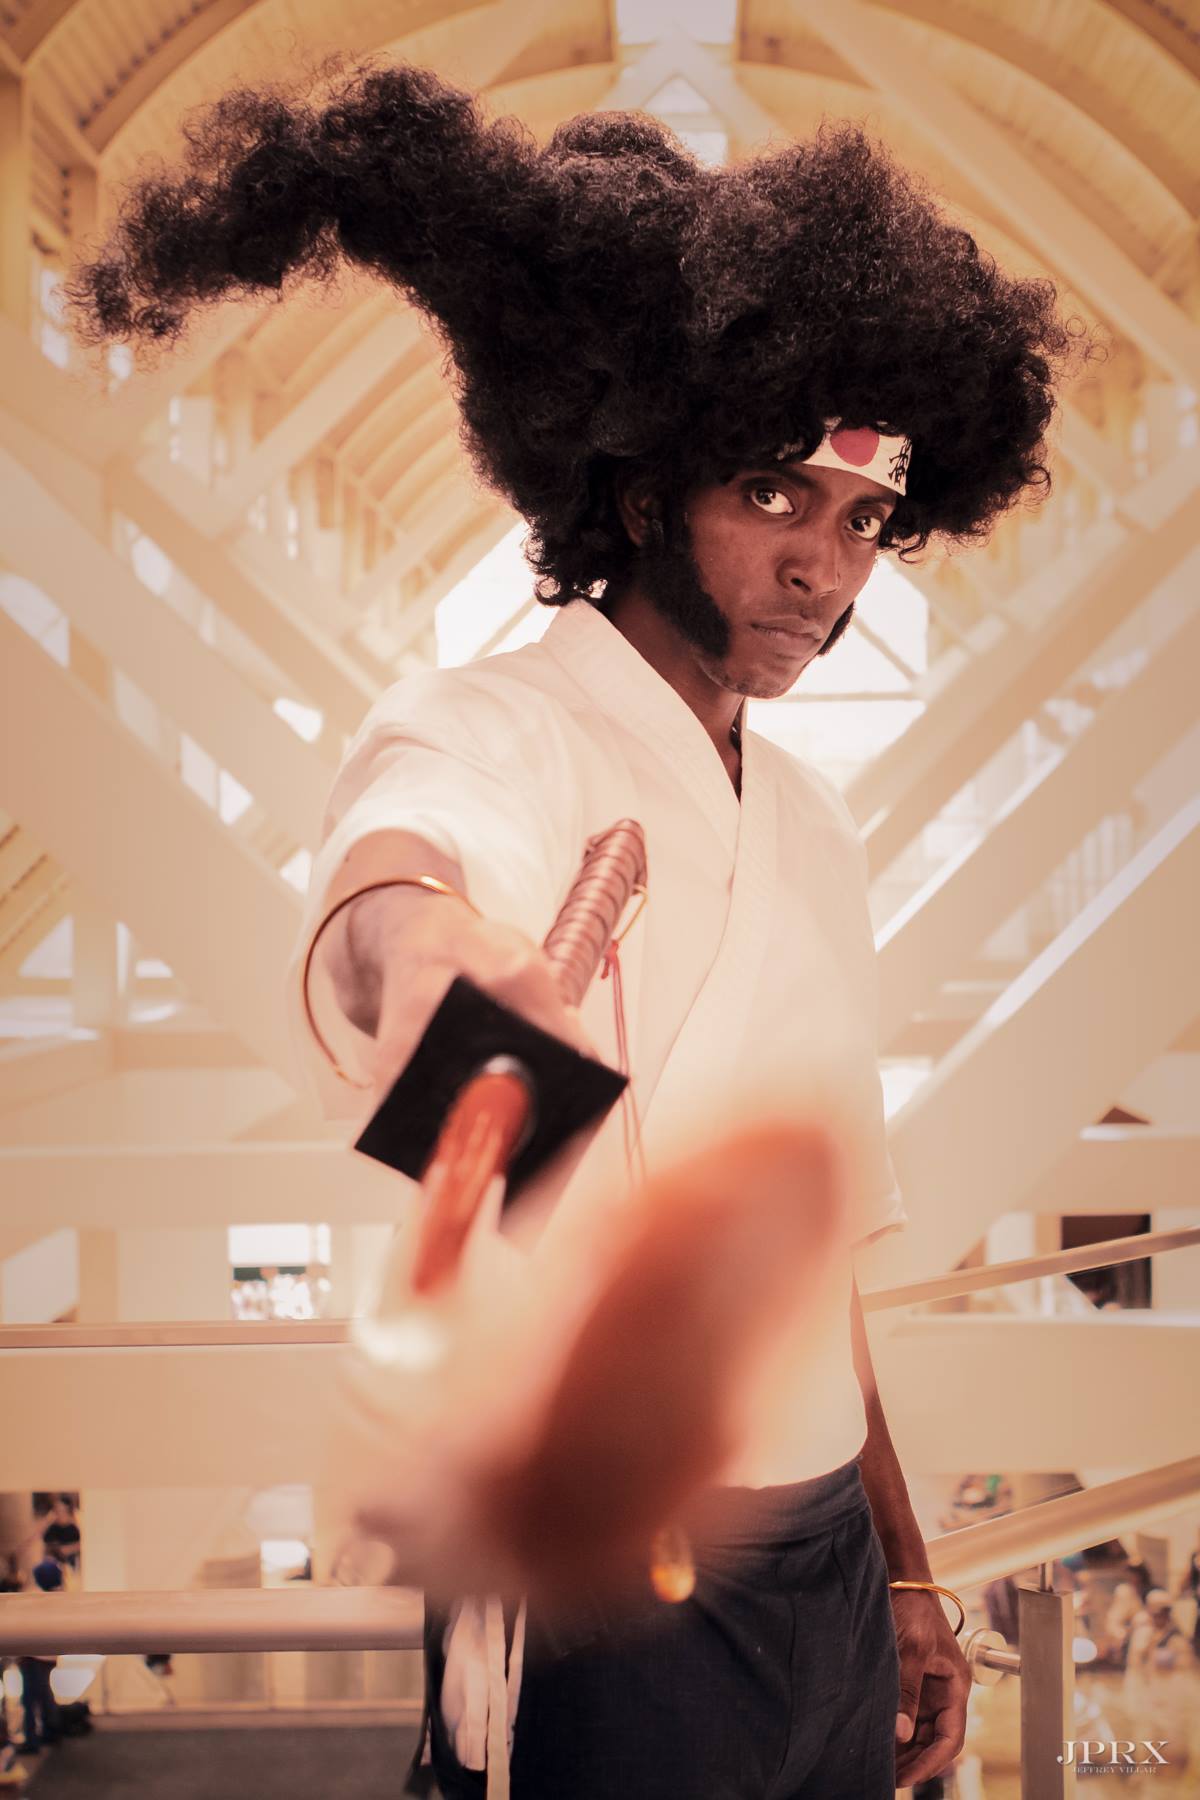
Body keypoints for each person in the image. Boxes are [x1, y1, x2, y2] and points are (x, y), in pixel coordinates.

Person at [67, 56, 1078, 1799]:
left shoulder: (817, 826)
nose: (827, 568)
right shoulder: (493, 726)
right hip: (618, 1590)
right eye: (774, 494)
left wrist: (906, 1569)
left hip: (831, 1568)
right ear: (638, 490)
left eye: (866, 520)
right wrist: (446, 978)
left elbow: (814, 1265)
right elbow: (400, 884)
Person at [16, 1561, 63, 1758]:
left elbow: (26, 1629)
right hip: (50, 1656)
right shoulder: (61, 1600)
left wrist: (21, 1653)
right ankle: (50, 1732)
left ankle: (31, 1740)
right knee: (45, 1695)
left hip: (34, 1656)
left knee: (29, 1700)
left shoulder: (37, 1601)